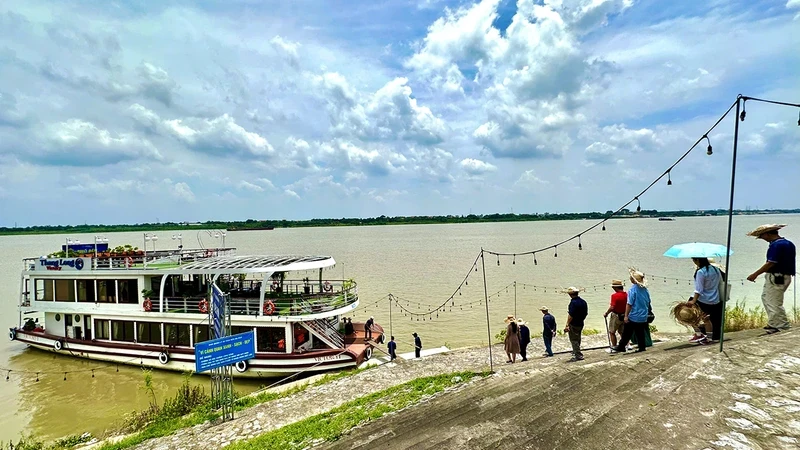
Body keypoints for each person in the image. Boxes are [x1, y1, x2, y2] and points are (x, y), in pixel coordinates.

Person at [746, 224, 796, 334]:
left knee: (773, 301)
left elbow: (770, 263)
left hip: (776, 276)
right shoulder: (789, 243)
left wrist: (755, 274)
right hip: (785, 275)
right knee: (767, 298)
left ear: (767, 234)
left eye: (762, 236)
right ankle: (774, 322)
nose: (762, 238)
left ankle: (781, 325)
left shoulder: (776, 245)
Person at [612, 270, 651, 353]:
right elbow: (648, 301)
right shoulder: (645, 289)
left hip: (634, 315)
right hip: (643, 315)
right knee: (640, 332)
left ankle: (621, 347)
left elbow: (629, 304)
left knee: (627, 332)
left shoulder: (632, 290)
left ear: (633, 280)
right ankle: (642, 347)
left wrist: (626, 315)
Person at [687, 257, 722, 343]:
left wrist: (693, 301)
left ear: (698, 260)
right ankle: (709, 338)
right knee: (707, 319)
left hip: (703, 299)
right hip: (714, 298)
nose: (694, 263)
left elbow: (699, 289)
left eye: (694, 260)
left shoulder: (701, 272)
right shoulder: (716, 269)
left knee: (687, 313)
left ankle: (698, 334)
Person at [563, 287, 588, 362]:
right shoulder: (583, 302)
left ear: (570, 294)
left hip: (574, 323)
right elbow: (586, 313)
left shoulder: (573, 303)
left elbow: (571, 315)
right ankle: (576, 351)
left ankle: (578, 354)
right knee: (578, 338)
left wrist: (567, 324)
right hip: (581, 322)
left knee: (573, 339)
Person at [603, 279, 627, 348]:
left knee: (612, 332)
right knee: (622, 332)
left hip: (616, 315)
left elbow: (612, 307)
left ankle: (614, 346)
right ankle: (626, 345)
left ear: (615, 288)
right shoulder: (627, 295)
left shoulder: (614, 296)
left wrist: (606, 313)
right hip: (624, 315)